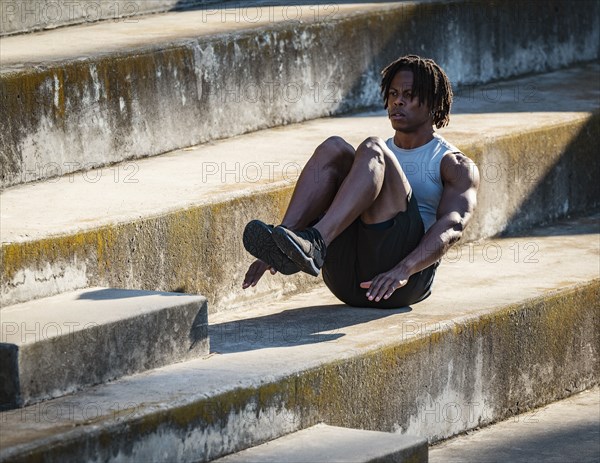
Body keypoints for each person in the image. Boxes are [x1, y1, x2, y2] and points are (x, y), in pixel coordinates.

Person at [242, 55, 479, 308]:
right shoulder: (375, 158)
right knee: (334, 148)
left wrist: (404, 270)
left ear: (433, 103)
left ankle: (316, 242)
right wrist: (275, 251)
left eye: (409, 94)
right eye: (393, 93)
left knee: (371, 148)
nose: (398, 100)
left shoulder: (453, 164)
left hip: (401, 283)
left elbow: (452, 227)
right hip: (347, 281)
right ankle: (284, 244)